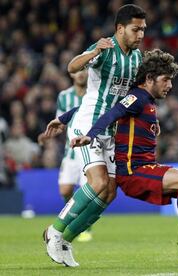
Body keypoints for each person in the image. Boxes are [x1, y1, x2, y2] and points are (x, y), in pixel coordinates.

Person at [70, 49, 178, 264]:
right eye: (166, 80)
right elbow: (113, 113)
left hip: (147, 168)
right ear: (150, 78)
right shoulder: (136, 97)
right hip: (132, 172)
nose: (170, 85)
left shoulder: (148, 101)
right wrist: (90, 135)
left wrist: (63, 117)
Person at [42, 4, 146, 267]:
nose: (141, 34)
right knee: (98, 183)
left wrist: (64, 117)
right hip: (87, 126)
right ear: (120, 28)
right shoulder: (105, 48)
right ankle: (53, 232)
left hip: (110, 129)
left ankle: (67, 239)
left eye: (143, 29)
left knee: (110, 192)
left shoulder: (136, 58)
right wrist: (93, 52)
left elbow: (116, 100)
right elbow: (71, 67)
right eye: (136, 29)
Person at [39, 69, 92, 242]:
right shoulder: (64, 96)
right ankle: (73, 216)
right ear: (72, 75)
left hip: (89, 149)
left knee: (88, 191)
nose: (81, 74)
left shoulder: (94, 92)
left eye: (85, 70)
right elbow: (60, 123)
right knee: (66, 189)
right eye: (78, 71)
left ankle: (84, 227)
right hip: (70, 152)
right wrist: (47, 135)